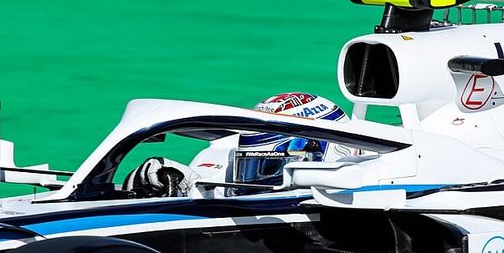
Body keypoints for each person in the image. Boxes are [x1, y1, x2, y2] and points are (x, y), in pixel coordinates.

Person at [123, 92, 350, 198]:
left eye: (267, 168)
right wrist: (168, 185)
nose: (249, 183)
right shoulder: (226, 166)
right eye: (249, 168)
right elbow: (202, 186)